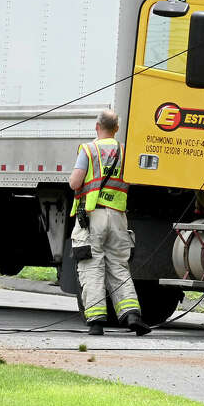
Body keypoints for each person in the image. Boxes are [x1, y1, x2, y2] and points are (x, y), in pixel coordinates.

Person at [70, 109, 150, 336]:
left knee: (92, 267)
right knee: (118, 266)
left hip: (93, 216)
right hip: (117, 217)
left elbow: (75, 183)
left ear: (97, 127)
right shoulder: (125, 152)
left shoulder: (89, 149)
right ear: (116, 129)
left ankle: (96, 322)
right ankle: (132, 314)